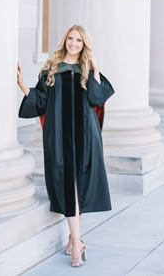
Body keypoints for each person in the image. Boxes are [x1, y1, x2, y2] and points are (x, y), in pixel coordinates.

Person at [17, 24, 114, 267]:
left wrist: (95, 68)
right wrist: (22, 84)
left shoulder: (86, 70)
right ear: (65, 41)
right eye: (70, 38)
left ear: (84, 45)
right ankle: (77, 244)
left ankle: (75, 241)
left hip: (84, 136)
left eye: (78, 41)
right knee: (67, 186)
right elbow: (40, 101)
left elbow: (97, 98)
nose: (73, 43)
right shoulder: (51, 68)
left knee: (78, 187)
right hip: (59, 135)